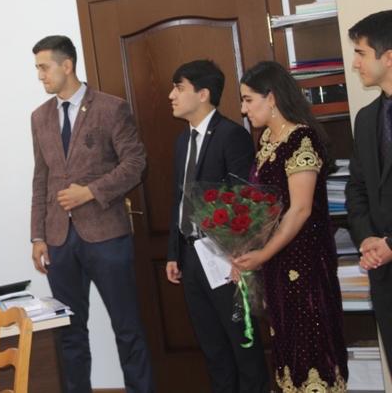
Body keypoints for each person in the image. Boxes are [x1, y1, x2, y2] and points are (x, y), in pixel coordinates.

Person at [30, 35, 154, 393]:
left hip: (107, 237)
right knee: (69, 332)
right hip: (58, 240)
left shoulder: (111, 108)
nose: (40, 75)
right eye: (37, 68)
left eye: (44, 67)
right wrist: (37, 235)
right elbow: (41, 177)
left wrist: (90, 192)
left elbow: (136, 163)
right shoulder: (39, 117)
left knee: (127, 327)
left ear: (67, 65)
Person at [233, 61, 348, 391]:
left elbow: (299, 210)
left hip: (305, 260)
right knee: (287, 345)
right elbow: (263, 208)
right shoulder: (267, 139)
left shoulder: (301, 138)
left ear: (271, 98)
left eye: (248, 100)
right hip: (276, 261)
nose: (243, 109)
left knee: (312, 345)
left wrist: (262, 254)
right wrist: (244, 252)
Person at [166, 60, 269, 393]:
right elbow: (179, 199)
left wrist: (240, 255)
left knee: (242, 344)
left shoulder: (231, 135)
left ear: (203, 94)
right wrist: (173, 252)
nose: (171, 96)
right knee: (213, 348)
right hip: (191, 257)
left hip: (226, 258)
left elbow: (245, 200)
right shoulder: (182, 141)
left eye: (179, 88)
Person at [345, 10, 392, 377]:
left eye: (361, 53)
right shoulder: (365, 119)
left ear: (388, 56)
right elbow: (357, 189)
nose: (355, 63)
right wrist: (367, 240)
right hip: (383, 273)